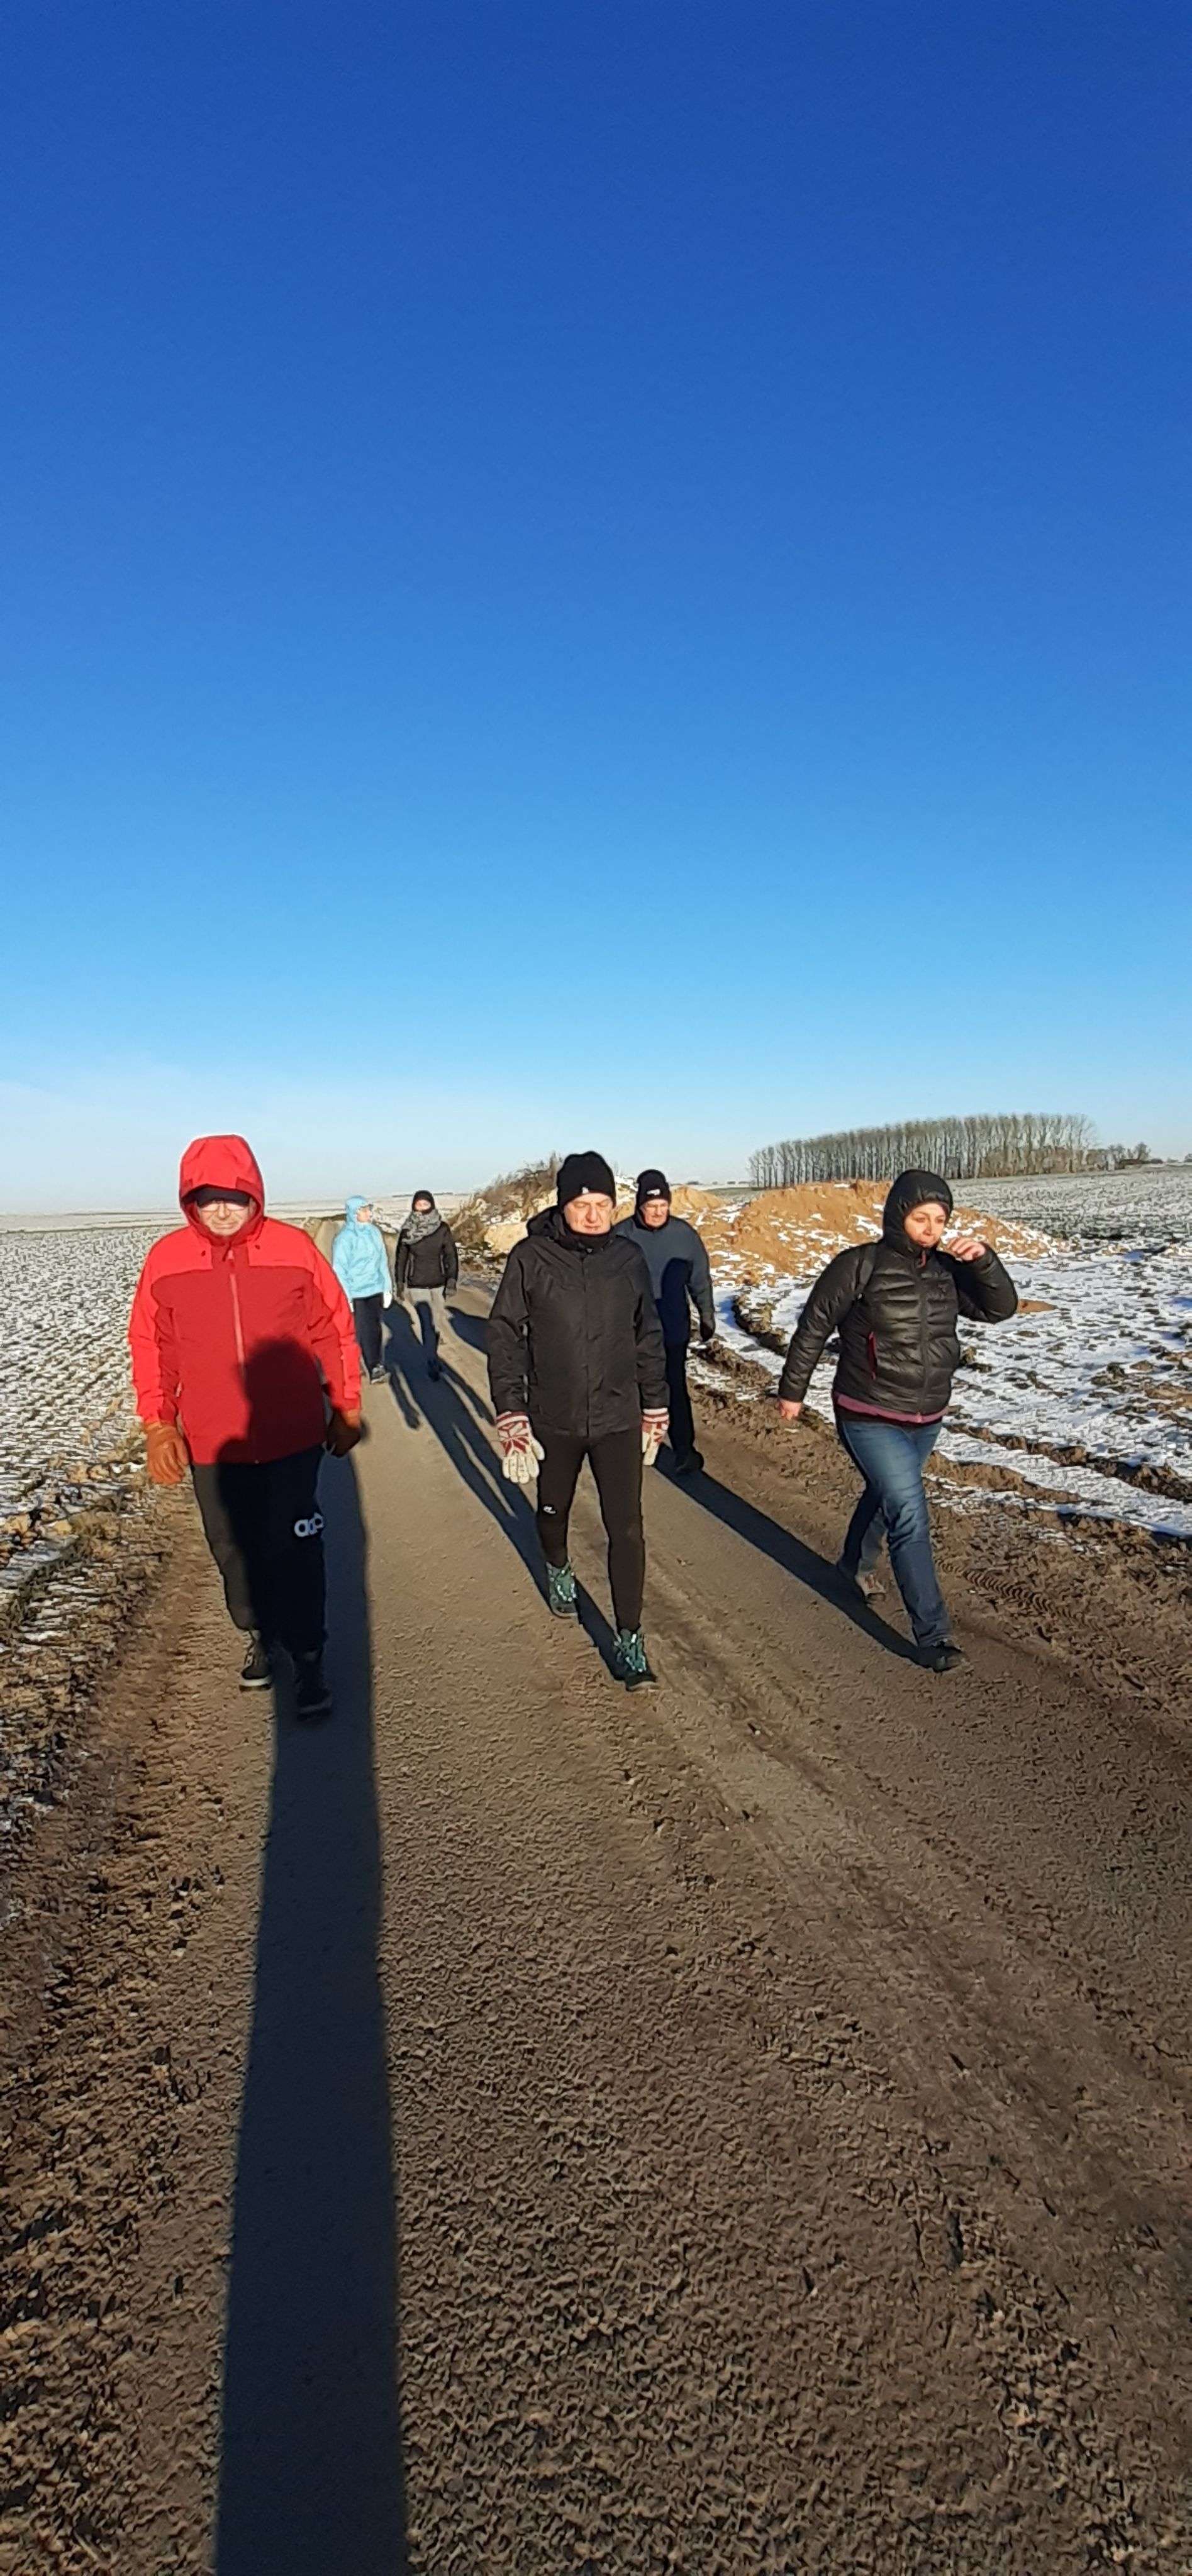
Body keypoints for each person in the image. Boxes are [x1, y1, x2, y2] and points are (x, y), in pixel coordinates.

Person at [128, 1135, 362, 1719]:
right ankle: (258, 1633)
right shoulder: (167, 1259)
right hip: (214, 1440)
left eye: (234, 1197)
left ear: (254, 1195)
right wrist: (158, 1424)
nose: (222, 1210)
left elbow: (333, 1329)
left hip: (292, 1435)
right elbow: (152, 1346)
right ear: (190, 1202)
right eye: (208, 1199)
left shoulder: (293, 1249)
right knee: (233, 1547)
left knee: (297, 1547)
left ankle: (308, 1654)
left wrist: (346, 1406)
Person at [776, 1170, 1017, 1672]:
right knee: (908, 1512)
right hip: (867, 1410)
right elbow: (814, 1325)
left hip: (927, 1413)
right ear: (897, 1215)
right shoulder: (859, 1265)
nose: (930, 1228)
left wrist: (984, 1261)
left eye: (939, 1220)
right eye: (920, 1217)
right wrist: (792, 1391)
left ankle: (853, 1565)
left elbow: (999, 1309)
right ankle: (933, 1635)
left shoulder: (947, 1271)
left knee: (887, 1498)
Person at [487, 1151, 669, 1690]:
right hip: (555, 1417)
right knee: (553, 1510)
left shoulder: (628, 1258)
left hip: (617, 1415)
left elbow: (647, 1334)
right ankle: (558, 1565)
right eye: (581, 1204)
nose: (593, 1216)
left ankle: (630, 1639)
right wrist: (511, 1411)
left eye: (603, 1204)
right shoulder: (531, 1257)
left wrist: (655, 1405)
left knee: (627, 1527)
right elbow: (504, 1334)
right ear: (562, 1205)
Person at [616, 1169, 716, 1474]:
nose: (658, 1212)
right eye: (652, 1206)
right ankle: (631, 1447)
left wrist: (707, 1314)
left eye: (663, 1206)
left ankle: (684, 1450)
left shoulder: (684, 1236)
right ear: (640, 1206)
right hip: (630, 1332)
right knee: (632, 1389)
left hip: (672, 1329)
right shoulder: (621, 1237)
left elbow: (700, 1279)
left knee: (674, 1388)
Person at [396, 1190, 459, 1380]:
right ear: (413, 1206)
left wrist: (452, 1279)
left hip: (439, 1284)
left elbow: (451, 1255)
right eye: (419, 1204)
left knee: (437, 1323)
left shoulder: (442, 1228)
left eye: (425, 1204)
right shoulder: (408, 1230)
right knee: (426, 1324)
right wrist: (400, 1282)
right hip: (417, 1285)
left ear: (432, 1205)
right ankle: (432, 1361)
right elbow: (401, 1259)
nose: (422, 1208)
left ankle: (432, 1353)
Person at [331, 1195, 393, 1383]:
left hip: (375, 1289)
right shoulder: (344, 1239)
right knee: (359, 1331)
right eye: (364, 1210)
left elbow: (382, 1261)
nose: (368, 1213)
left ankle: (376, 1364)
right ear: (354, 1213)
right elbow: (339, 1269)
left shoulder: (374, 1233)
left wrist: (387, 1288)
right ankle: (360, 1366)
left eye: (368, 1210)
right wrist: (347, 1296)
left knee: (374, 1329)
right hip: (356, 1292)